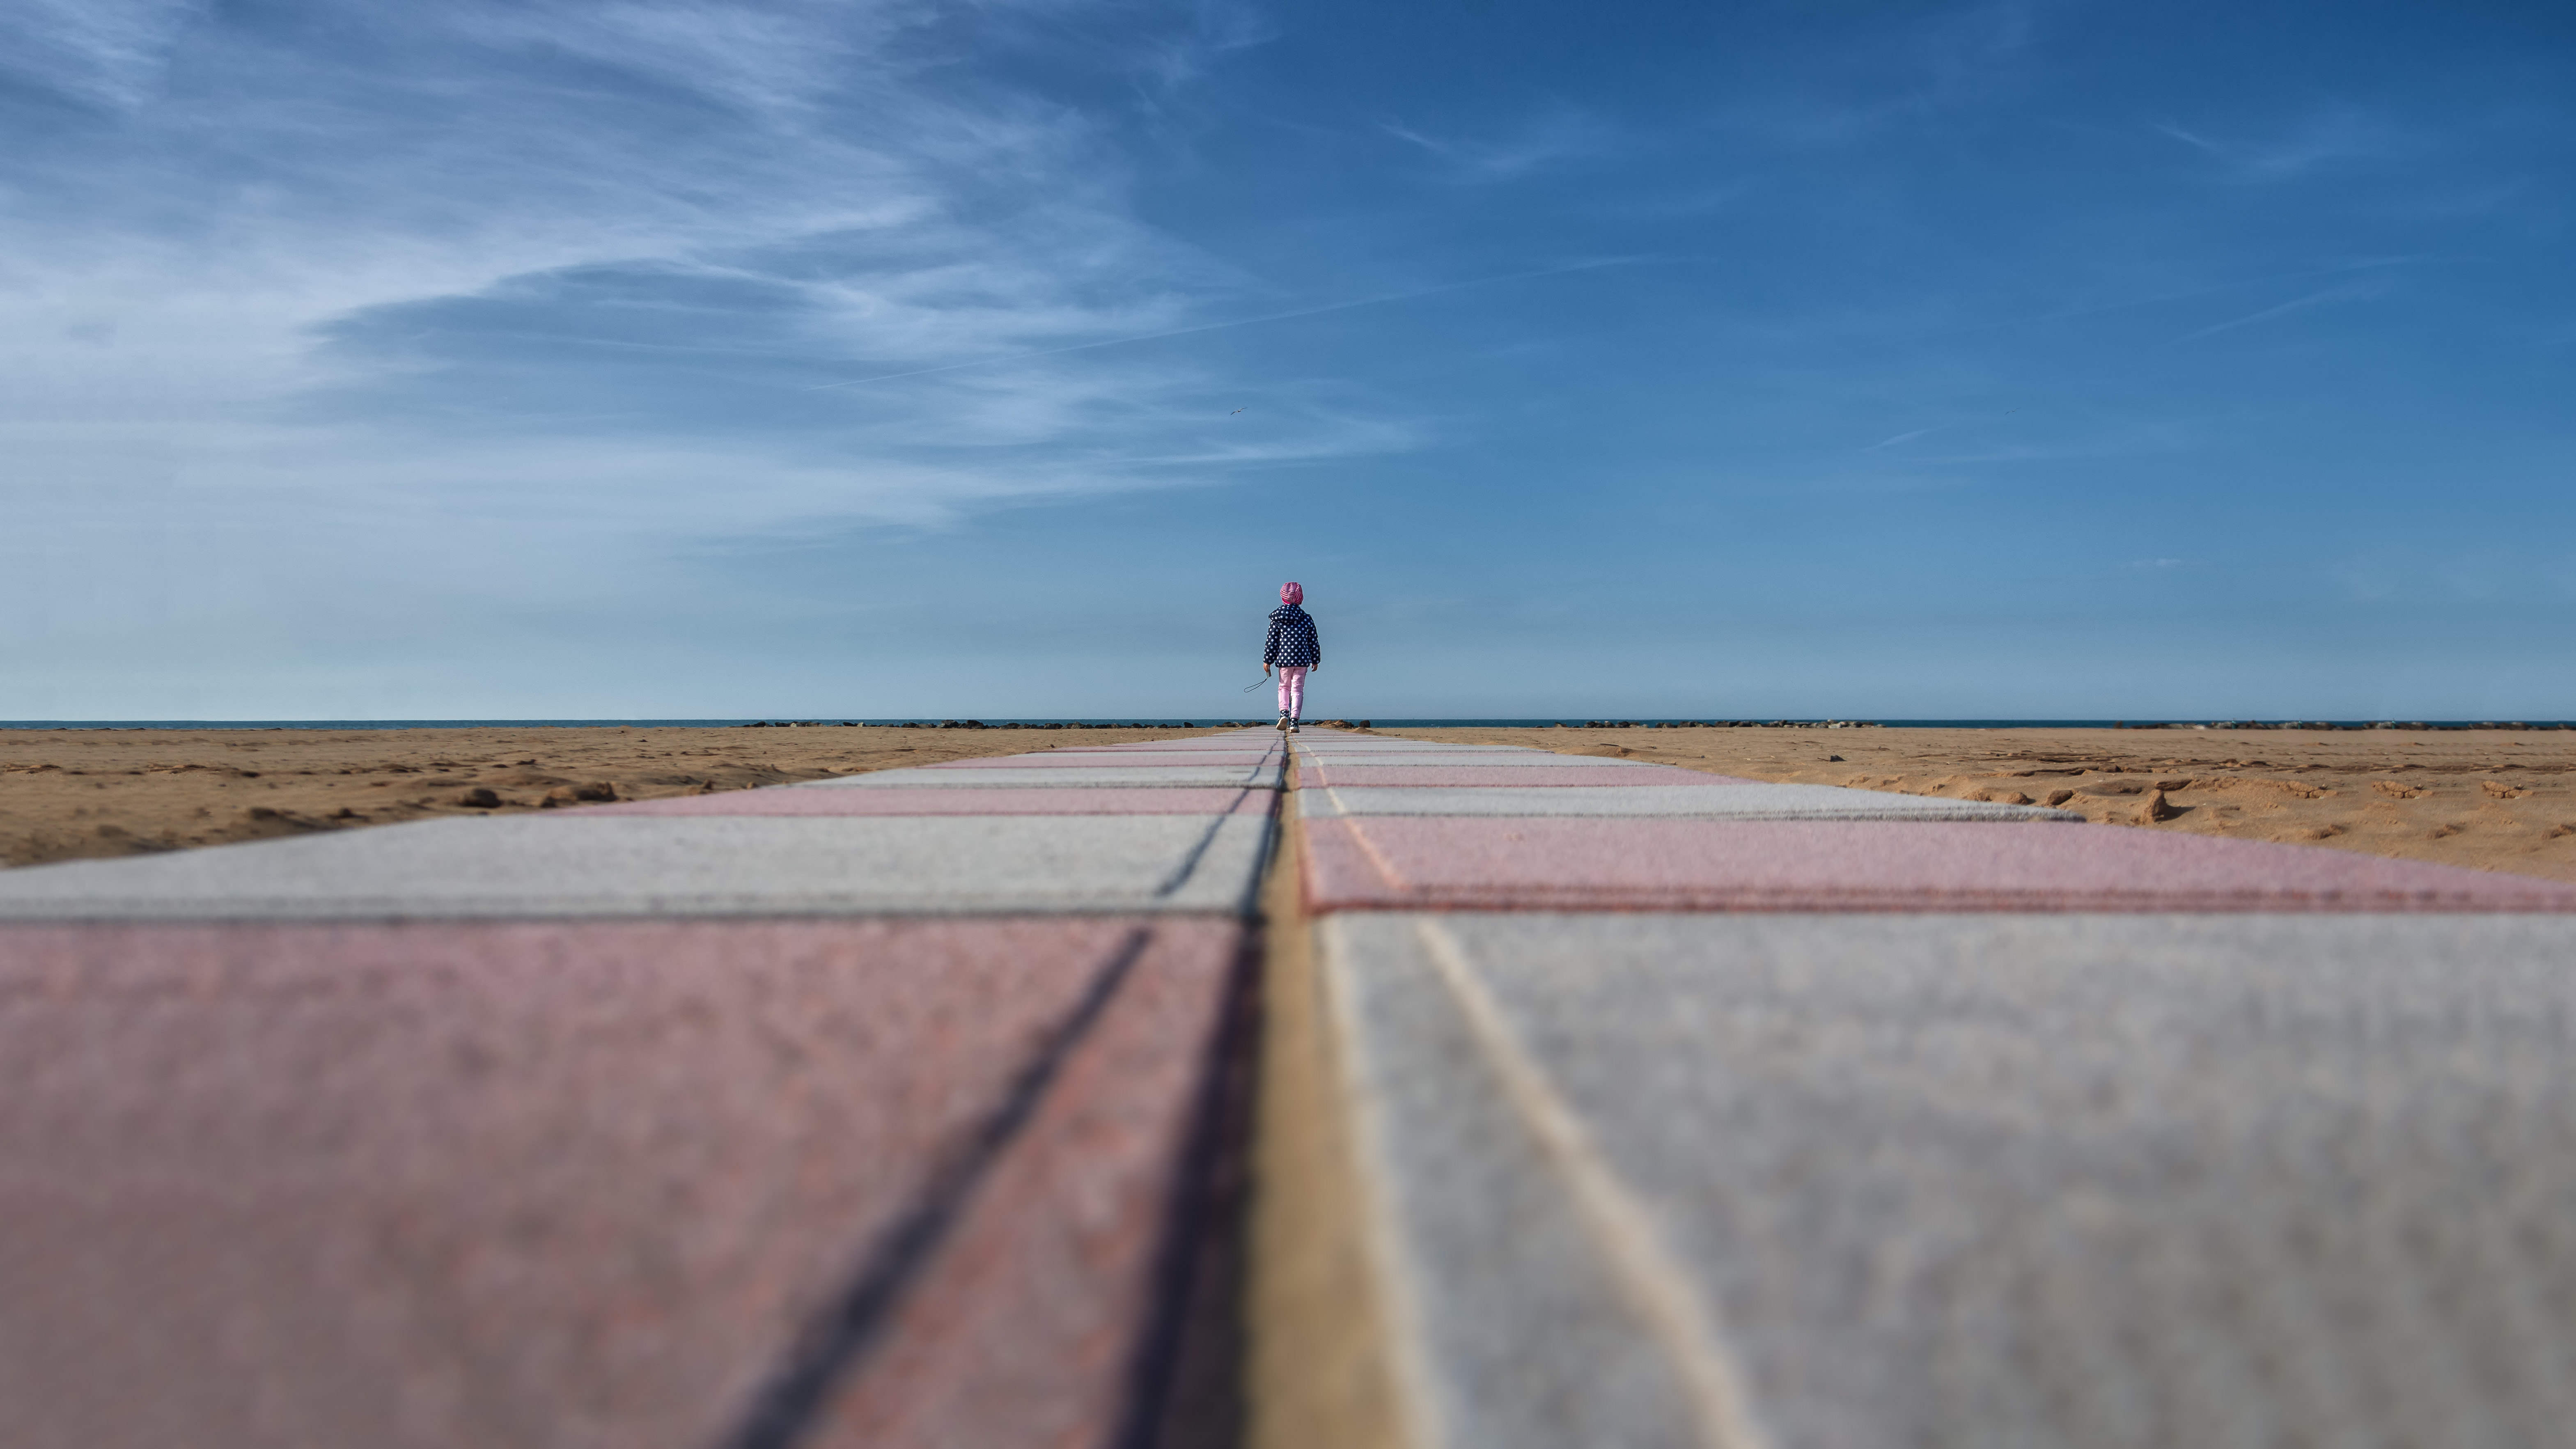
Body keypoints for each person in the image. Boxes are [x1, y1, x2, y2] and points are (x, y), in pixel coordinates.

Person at [1262, 581, 1321, 733]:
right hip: (1302, 661)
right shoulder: (1307, 619)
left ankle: (1284, 713)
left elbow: (1272, 642)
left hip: (1284, 661)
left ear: (1283, 598)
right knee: (1298, 690)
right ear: (1300, 598)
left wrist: (1268, 660)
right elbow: (1313, 641)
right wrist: (1316, 659)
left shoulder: (1277, 619)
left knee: (1284, 687)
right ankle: (1294, 721)